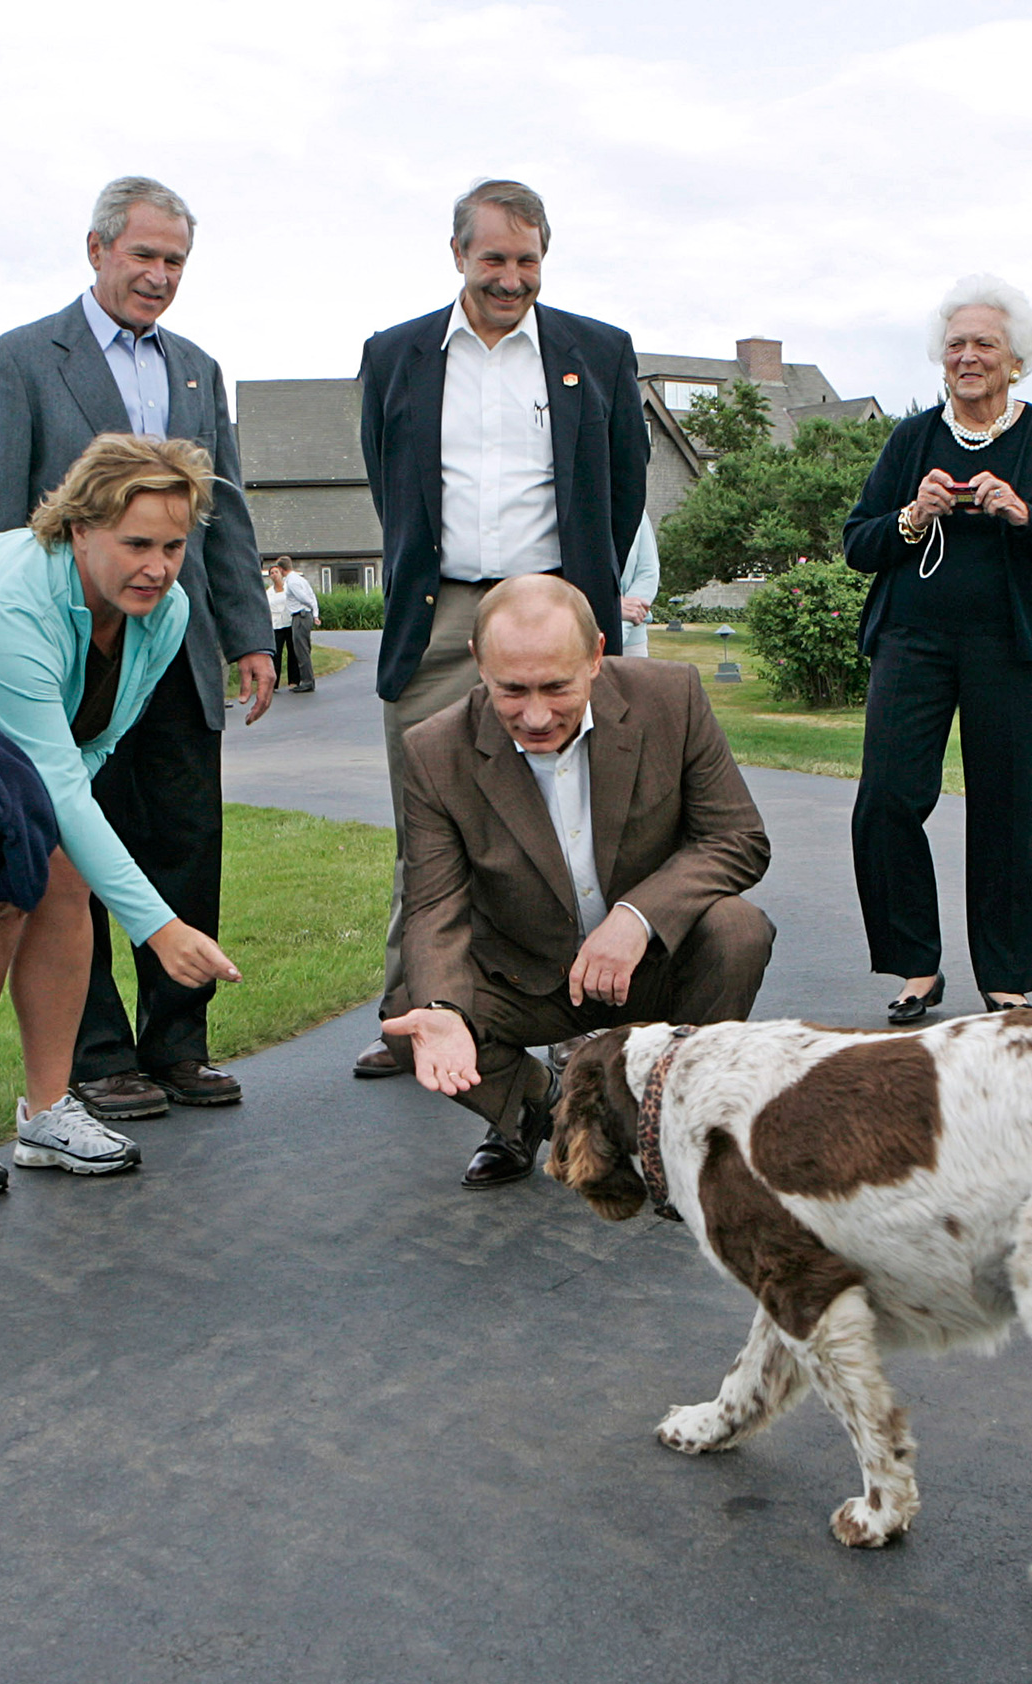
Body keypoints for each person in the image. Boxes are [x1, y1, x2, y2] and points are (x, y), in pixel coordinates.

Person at [0, 176, 273, 1124]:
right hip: (57, 645)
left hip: (174, 644)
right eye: (144, 255)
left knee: (184, 838)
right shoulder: (17, 361)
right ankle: (96, 1056)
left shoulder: (198, 369)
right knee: (63, 838)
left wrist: (250, 635)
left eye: (175, 261)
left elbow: (225, 515)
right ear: (96, 251)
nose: (159, 276)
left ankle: (178, 1041)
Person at [351, 178, 650, 1079]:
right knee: (428, 820)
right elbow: (386, 475)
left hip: (556, 607)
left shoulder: (596, 352)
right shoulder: (396, 353)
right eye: (494, 259)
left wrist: (581, 593)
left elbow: (625, 485)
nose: (512, 278)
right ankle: (413, 1012)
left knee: (583, 820)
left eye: (528, 261)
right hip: (439, 612)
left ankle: (594, 1017)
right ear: (458, 257)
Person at [0, 435, 244, 1181]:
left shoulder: (168, 611)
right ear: (78, 529)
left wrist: (69, 832)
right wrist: (159, 926)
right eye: (135, 544)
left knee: (65, 877)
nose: (156, 567)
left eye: (173, 545)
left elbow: (95, 743)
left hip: (22, 746)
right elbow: (52, 779)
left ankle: (47, 1111)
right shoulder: (10, 608)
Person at [379, 575, 772, 1189]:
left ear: (595, 656)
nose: (535, 716)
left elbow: (737, 839)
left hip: (650, 967)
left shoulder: (672, 698)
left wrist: (637, 917)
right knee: (413, 1013)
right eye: (511, 690)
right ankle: (542, 1108)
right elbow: (433, 909)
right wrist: (442, 1010)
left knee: (737, 929)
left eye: (557, 688)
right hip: (525, 978)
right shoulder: (433, 751)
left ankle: (671, 1122)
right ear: (479, 664)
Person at [841, 276, 1032, 1023]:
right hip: (912, 641)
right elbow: (856, 544)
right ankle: (916, 965)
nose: (968, 357)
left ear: (1014, 359)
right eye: (956, 344)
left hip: (1012, 646)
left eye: (984, 344)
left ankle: (1006, 976)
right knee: (886, 801)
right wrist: (910, 515)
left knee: (1007, 813)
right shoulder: (912, 439)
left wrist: (1026, 516)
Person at [618, 513, 660, 656]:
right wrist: (613, 609)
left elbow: (648, 573)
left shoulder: (637, 512)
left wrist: (621, 628)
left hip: (632, 645)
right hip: (580, 642)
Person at [276, 556, 318, 691]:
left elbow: (305, 598)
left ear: (281, 569)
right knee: (303, 648)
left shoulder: (292, 582)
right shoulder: (300, 579)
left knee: (301, 649)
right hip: (305, 615)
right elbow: (312, 595)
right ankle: (307, 679)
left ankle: (307, 681)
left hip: (300, 616)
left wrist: (310, 607)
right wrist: (315, 613)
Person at [265, 557, 295, 689]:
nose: (274, 574)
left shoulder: (289, 588)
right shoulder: (269, 592)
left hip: (289, 622)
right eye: (272, 573)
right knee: (276, 654)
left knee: (292, 652)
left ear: (281, 573)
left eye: (276, 572)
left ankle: (294, 680)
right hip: (276, 624)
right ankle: (274, 683)